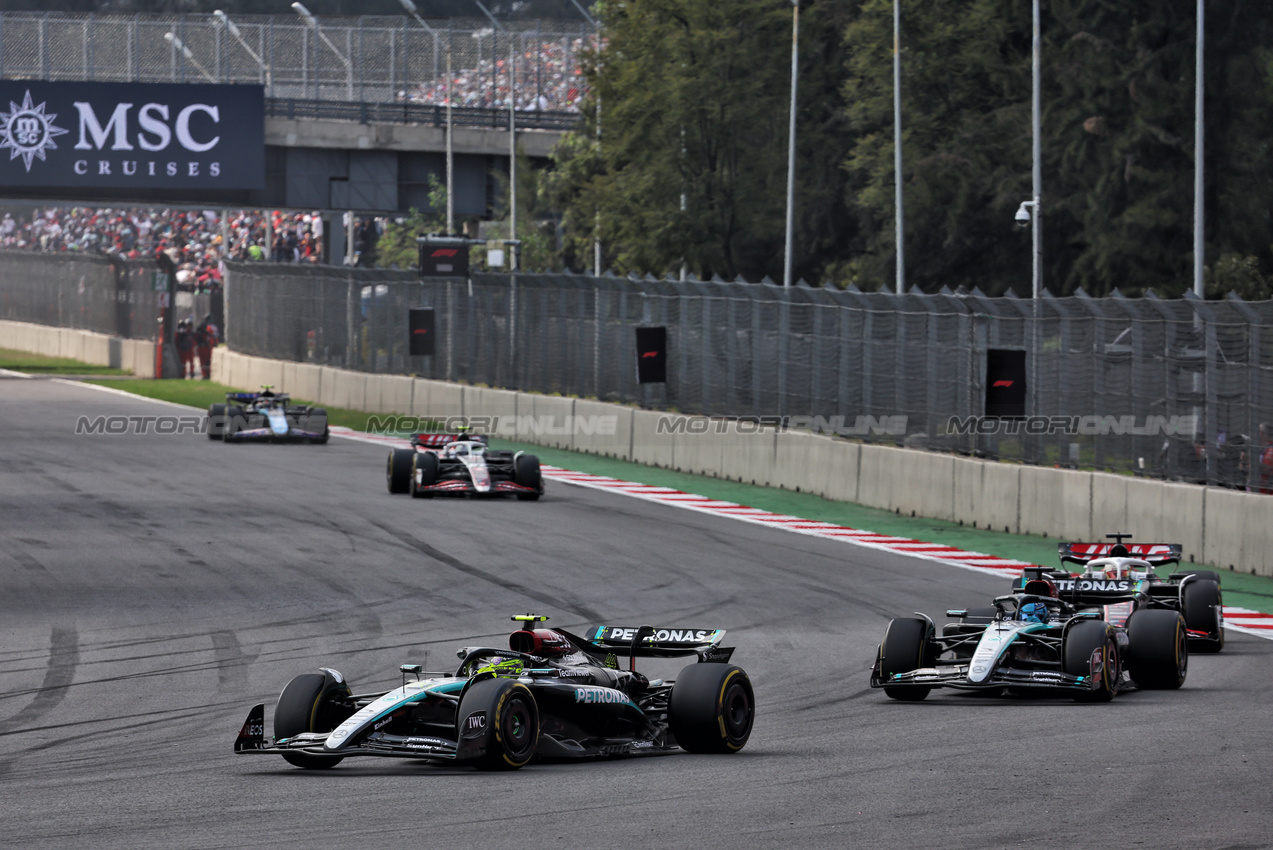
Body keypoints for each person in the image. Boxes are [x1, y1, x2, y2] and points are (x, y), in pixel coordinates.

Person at [194, 314, 217, 380]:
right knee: (205, 362)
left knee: (206, 362)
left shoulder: (209, 328)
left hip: (206, 347)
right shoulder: (209, 328)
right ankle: (206, 374)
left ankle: (206, 374)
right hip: (205, 347)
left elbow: (212, 338)